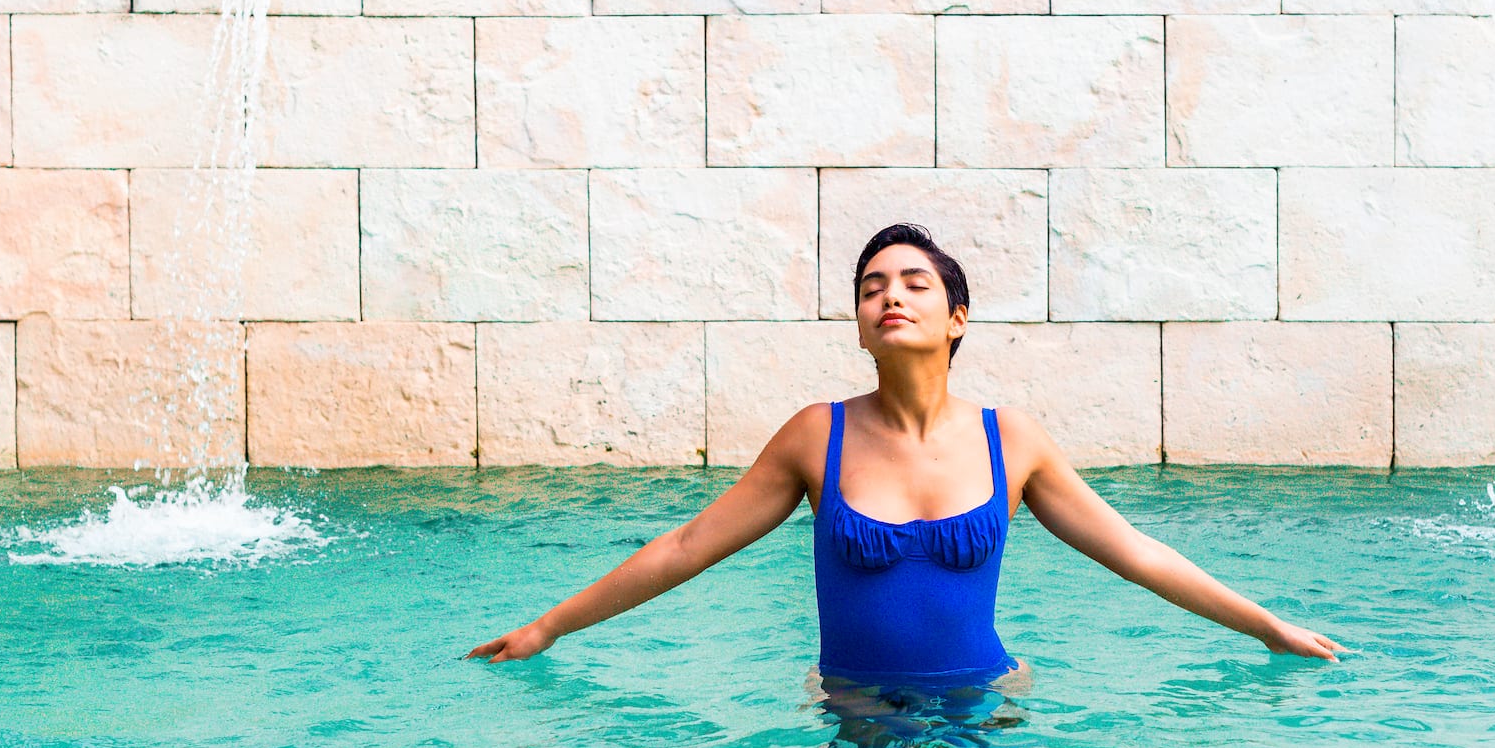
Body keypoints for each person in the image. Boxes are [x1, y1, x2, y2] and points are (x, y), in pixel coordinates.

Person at [465, 223, 1345, 691]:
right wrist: (550, 624)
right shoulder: (819, 434)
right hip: (852, 710)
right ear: (857, 323)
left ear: (957, 318)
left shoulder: (1013, 439)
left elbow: (1138, 552)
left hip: (984, 703)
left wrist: (1266, 625)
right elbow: (687, 547)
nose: (891, 295)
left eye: (915, 283)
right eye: (871, 286)